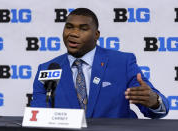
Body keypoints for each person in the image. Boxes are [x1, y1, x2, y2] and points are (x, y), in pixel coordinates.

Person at [31, 8, 169, 118]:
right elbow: (39, 114)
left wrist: (155, 102)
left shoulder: (122, 63)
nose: (73, 33)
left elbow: (158, 108)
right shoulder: (48, 69)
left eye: (83, 28)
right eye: (69, 27)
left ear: (96, 35)